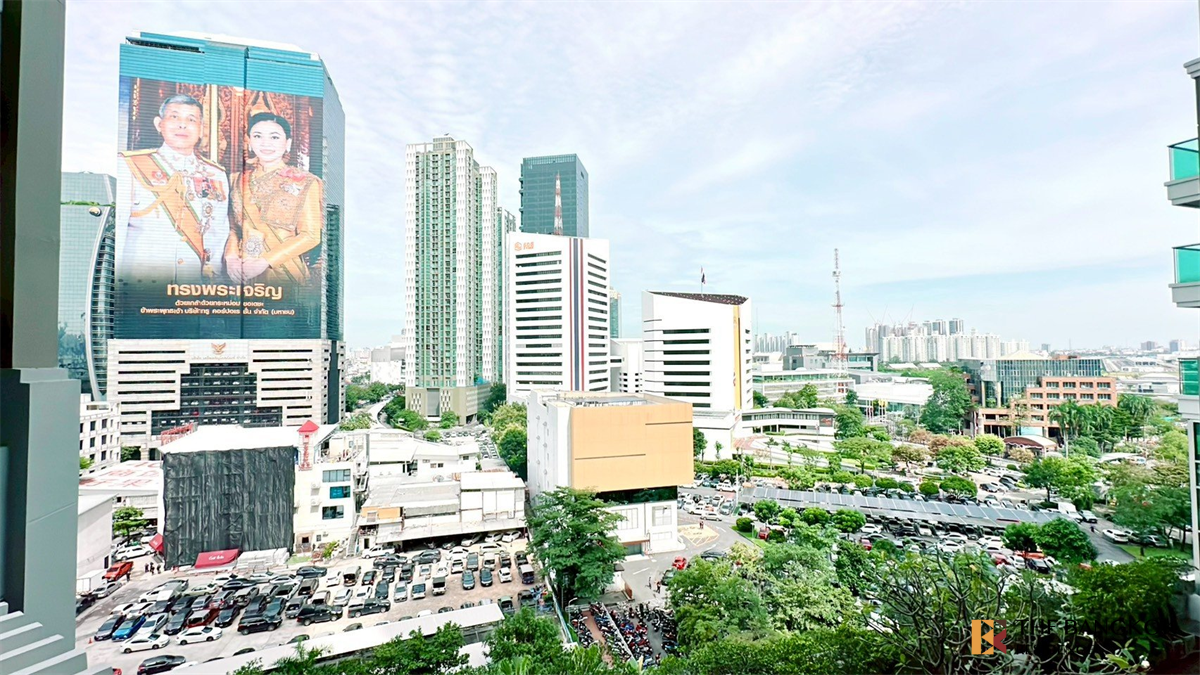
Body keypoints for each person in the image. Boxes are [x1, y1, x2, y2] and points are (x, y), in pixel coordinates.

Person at [116, 93, 231, 283]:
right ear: (158, 124)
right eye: (174, 117)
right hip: (141, 281)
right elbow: (119, 229)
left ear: (202, 129)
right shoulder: (131, 164)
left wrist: (212, 282)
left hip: (191, 283)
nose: (182, 125)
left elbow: (218, 232)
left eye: (191, 119)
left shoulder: (216, 174)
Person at [226, 111, 323, 285]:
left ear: (288, 143)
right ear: (249, 141)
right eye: (258, 136)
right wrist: (231, 257)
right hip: (242, 270)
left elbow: (311, 235)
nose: (265, 143)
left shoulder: (305, 182)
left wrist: (265, 261)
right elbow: (233, 228)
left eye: (274, 137)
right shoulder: (236, 179)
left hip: (284, 273)